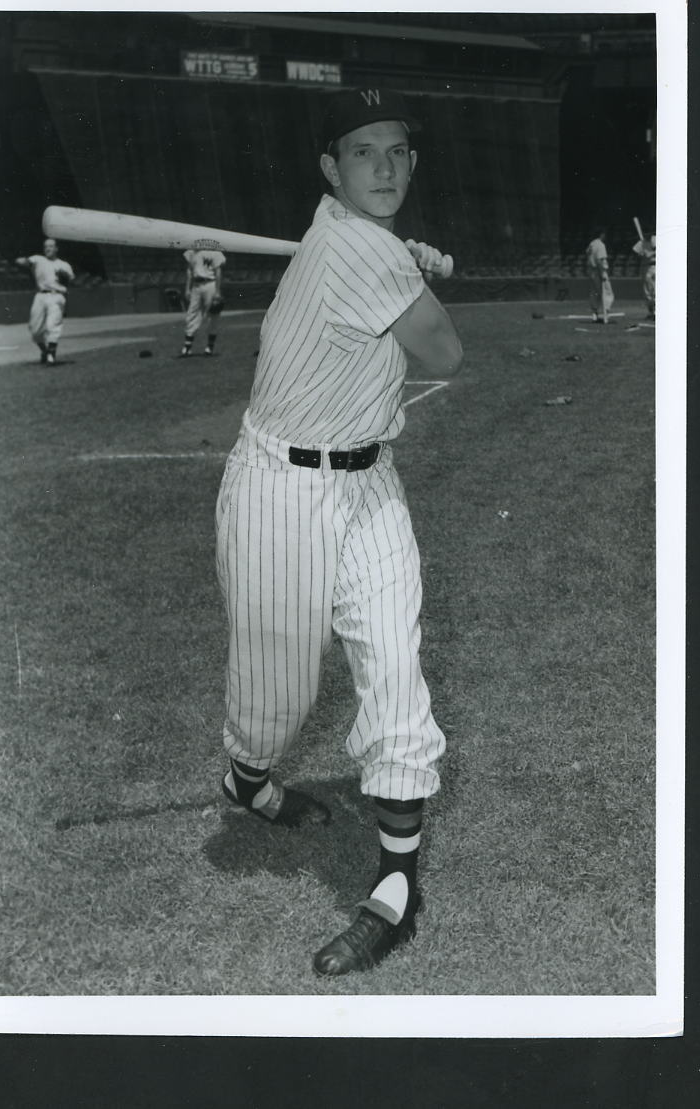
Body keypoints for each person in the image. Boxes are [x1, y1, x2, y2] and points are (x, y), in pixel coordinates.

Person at [214, 87, 463, 978]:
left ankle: (394, 886)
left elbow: (397, 311)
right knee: (274, 702)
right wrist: (408, 270)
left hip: (368, 482)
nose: (385, 166)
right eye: (363, 152)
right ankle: (247, 774)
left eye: (397, 150)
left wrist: (400, 265)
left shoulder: (348, 238)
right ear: (331, 168)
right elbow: (442, 354)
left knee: (394, 664)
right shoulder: (358, 247)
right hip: (280, 487)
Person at [16, 237, 74, 365]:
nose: (48, 248)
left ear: (56, 248)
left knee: (52, 325)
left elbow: (71, 279)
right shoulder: (38, 259)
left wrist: (66, 277)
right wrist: (23, 261)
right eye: (46, 246)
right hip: (41, 296)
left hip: (57, 296)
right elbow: (24, 262)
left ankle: (51, 356)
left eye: (51, 246)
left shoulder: (64, 264)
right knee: (35, 329)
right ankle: (45, 351)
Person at [179, 242, 226, 356]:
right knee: (192, 314)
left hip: (210, 283)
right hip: (196, 285)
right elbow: (189, 271)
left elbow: (218, 272)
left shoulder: (215, 251)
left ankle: (209, 347)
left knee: (212, 315)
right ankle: (187, 347)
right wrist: (187, 289)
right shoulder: (192, 250)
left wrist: (217, 291)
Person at [585, 229, 614, 325]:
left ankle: (594, 315)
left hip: (591, 271)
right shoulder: (601, 245)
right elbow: (600, 260)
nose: (605, 236)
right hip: (599, 271)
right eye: (604, 234)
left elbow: (587, 254)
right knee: (607, 294)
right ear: (601, 234)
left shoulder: (591, 244)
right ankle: (606, 318)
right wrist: (602, 273)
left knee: (594, 293)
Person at [632, 228, 656, 321]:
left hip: (657, 266)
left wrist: (651, 253)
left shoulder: (655, 239)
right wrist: (640, 255)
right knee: (647, 292)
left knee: (656, 290)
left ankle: (657, 312)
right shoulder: (641, 243)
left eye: (650, 233)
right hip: (646, 267)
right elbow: (635, 253)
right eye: (646, 233)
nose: (649, 235)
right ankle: (651, 312)